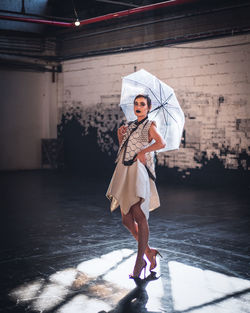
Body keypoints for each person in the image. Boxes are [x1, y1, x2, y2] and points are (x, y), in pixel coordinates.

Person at [106, 94, 166, 279]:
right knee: (126, 219)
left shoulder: (150, 125)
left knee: (138, 215)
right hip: (124, 170)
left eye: (142, 104)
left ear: (148, 107)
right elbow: (124, 150)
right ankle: (149, 252)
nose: (138, 106)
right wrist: (119, 137)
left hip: (138, 171)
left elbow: (161, 143)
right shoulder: (130, 125)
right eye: (136, 104)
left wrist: (143, 151)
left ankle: (140, 260)